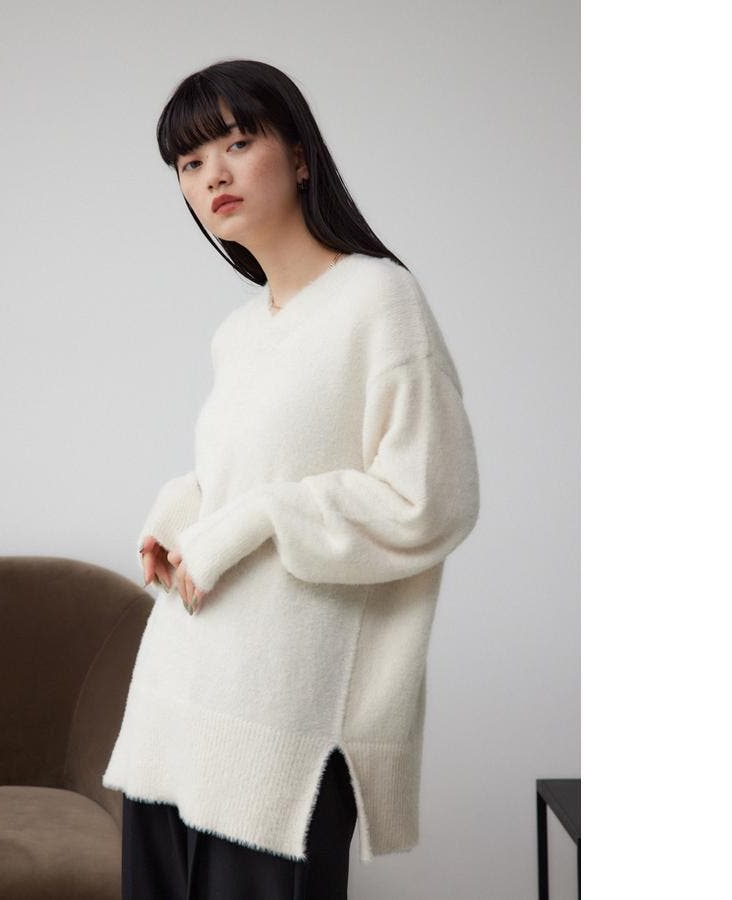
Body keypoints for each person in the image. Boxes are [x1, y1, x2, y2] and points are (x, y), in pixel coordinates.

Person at [102, 59, 481, 899]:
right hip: (178, 698)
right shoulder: (238, 332)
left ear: (301, 157)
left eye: (237, 143)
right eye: (191, 162)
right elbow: (238, 474)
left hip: (281, 722)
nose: (214, 175)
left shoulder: (379, 299)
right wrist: (179, 514)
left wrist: (256, 519)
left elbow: (430, 498)